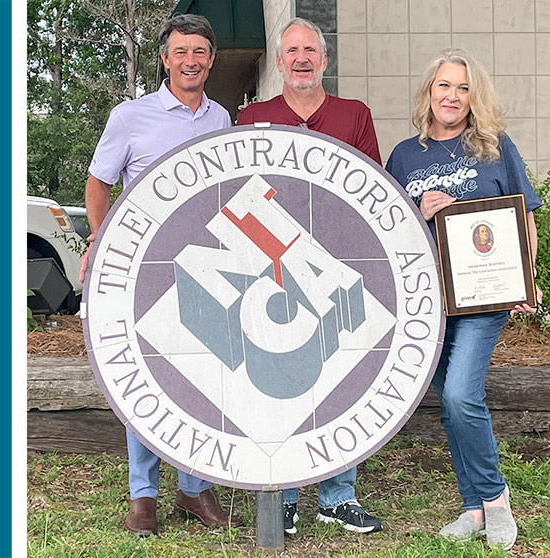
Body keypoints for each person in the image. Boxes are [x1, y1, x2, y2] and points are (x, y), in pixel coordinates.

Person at [79, 13, 240, 536]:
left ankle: (193, 489)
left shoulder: (222, 120)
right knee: (145, 376)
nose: (190, 61)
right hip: (144, 266)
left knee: (201, 374)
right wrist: (102, 242)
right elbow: (99, 183)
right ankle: (143, 495)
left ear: (211, 60)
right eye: (181, 52)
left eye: (200, 52)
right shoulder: (131, 115)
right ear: (165, 59)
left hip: (208, 262)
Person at [386, 48, 541, 550]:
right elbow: (387, 231)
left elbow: (524, 220)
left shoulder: (495, 149)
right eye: (444, 86)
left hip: (483, 298)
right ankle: (472, 508)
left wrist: (526, 278)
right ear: (429, 92)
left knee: (459, 395)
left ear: (475, 97)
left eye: (463, 88)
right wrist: (417, 206)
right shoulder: (405, 157)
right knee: (451, 404)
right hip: (426, 301)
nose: (452, 96)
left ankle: (494, 498)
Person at [236, 17, 383, 535]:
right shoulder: (254, 117)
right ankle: (289, 492)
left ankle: (338, 495)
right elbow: (239, 191)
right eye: (291, 50)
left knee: (342, 378)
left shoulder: (353, 114)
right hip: (271, 270)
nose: (301, 58)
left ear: (325, 60)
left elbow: (372, 194)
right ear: (279, 62)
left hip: (336, 266)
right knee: (283, 379)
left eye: (310, 51)